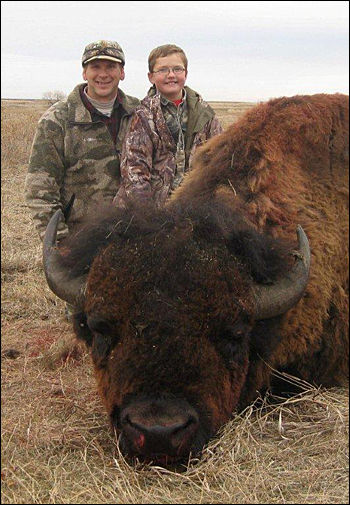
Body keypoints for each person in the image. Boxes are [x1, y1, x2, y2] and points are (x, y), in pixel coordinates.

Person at [25, 40, 140, 242]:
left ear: (122, 72)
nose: (103, 74)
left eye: (111, 67)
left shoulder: (141, 113)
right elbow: (40, 189)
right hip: (79, 237)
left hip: (133, 233)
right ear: (84, 73)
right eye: (95, 67)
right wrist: (60, 242)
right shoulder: (56, 120)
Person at [113, 44, 223, 207]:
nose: (171, 75)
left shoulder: (205, 113)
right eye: (163, 70)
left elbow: (218, 160)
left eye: (177, 69)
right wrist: (148, 216)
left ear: (186, 74)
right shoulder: (143, 116)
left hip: (194, 207)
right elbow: (135, 172)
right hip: (151, 212)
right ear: (151, 77)